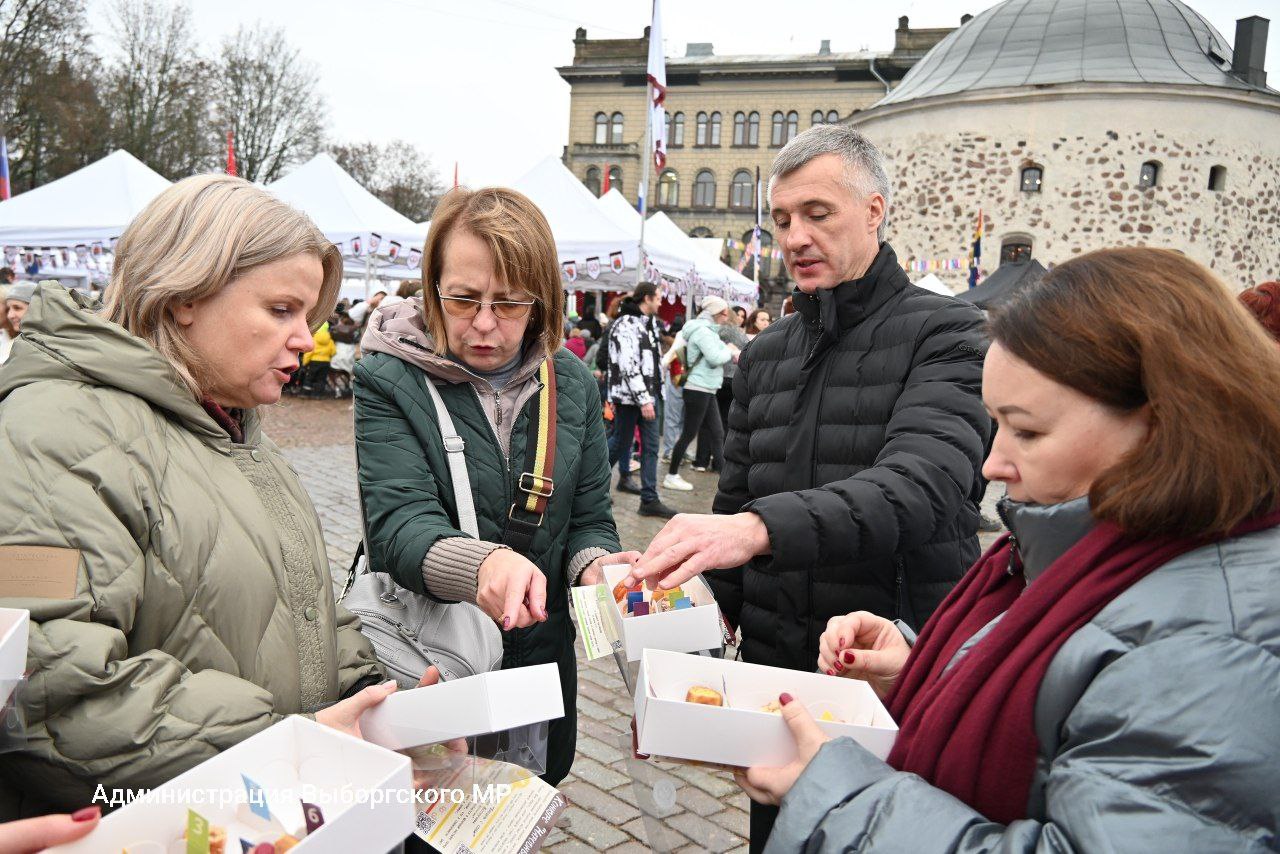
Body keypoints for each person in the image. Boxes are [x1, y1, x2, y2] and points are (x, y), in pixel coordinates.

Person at [741, 246, 1280, 852]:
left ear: (1161, 424)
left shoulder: (1210, 640)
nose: (994, 462)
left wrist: (838, 797)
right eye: (996, 424)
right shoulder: (1095, 547)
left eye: (1027, 430)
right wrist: (936, 670)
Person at [0, 175, 429, 819]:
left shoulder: (231, 428)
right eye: (282, 310)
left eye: (310, 318)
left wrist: (372, 698)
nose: (307, 341)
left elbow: (301, 608)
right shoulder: (56, 432)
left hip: (253, 812)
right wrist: (289, 750)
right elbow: (51, 689)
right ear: (183, 296)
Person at [627, 125, 989, 849]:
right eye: (784, 218)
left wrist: (754, 530)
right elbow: (735, 502)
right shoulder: (763, 355)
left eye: (818, 213)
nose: (796, 236)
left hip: (887, 681)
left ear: (875, 212)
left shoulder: (947, 333)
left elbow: (922, 486)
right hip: (776, 683)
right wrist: (686, 619)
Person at [354, 186, 636, 787]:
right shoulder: (388, 374)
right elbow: (398, 526)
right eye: (463, 299)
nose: (484, 324)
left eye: (509, 303)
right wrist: (485, 568)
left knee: (525, 800)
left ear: (542, 303)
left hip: (540, 660)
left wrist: (599, 571)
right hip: (434, 660)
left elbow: (587, 519)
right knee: (435, 809)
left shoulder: (574, 384)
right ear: (432, 287)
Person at [606, 283, 678, 518]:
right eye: (657, 298)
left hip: (648, 396)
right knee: (620, 443)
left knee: (651, 447)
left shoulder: (649, 325)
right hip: (630, 399)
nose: (660, 302)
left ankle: (649, 498)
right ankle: (587, 487)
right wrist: (644, 399)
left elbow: (649, 363)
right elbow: (628, 366)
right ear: (647, 298)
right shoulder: (625, 324)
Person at [662, 296, 737, 492]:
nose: (726, 316)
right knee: (689, 433)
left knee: (718, 432)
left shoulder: (708, 331)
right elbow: (715, 357)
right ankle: (671, 475)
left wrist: (725, 349)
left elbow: (716, 353)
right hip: (698, 387)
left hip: (706, 387)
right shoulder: (703, 332)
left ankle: (725, 479)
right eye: (724, 312)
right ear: (715, 313)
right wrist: (729, 351)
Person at [694, 303, 749, 473]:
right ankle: (719, 460)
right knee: (724, 421)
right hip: (733, 380)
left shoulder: (716, 332)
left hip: (716, 379)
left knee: (706, 422)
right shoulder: (741, 334)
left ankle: (701, 461)